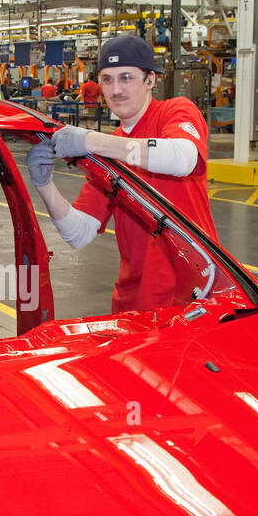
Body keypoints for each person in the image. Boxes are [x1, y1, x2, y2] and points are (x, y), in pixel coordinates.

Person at [24, 34, 217, 314]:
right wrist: (44, 184)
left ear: (150, 80)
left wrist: (92, 142)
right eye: (107, 79)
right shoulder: (108, 152)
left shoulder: (175, 111)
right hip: (136, 303)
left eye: (126, 77)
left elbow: (183, 158)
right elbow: (79, 233)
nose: (116, 90)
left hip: (192, 296)